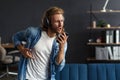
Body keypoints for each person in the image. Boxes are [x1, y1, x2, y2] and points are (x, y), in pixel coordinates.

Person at [12, 6, 68, 80]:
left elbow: (58, 68)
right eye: (57, 21)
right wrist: (22, 50)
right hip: (28, 77)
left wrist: (61, 48)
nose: (60, 25)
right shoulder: (33, 33)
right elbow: (16, 37)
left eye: (62, 21)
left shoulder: (61, 42)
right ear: (48, 22)